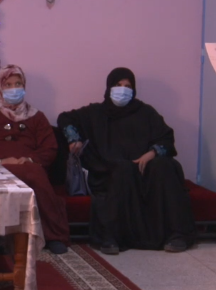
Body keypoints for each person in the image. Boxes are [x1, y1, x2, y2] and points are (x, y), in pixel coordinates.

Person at [58, 68, 196, 255]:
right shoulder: (95, 113)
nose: (122, 90)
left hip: (145, 170)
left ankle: (176, 235)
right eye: (118, 85)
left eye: (127, 86)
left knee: (166, 166)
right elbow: (65, 118)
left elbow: (166, 138)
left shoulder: (145, 112)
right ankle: (113, 237)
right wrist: (74, 138)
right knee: (123, 170)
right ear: (109, 88)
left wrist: (152, 153)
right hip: (110, 172)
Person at [0, 65, 71, 255]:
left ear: (24, 86)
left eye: (18, 84)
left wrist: (29, 159)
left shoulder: (36, 116)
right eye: (8, 84)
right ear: (0, 87)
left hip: (29, 166)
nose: (13, 88)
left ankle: (54, 235)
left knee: (34, 173)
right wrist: (1, 160)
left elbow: (50, 148)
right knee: (25, 175)